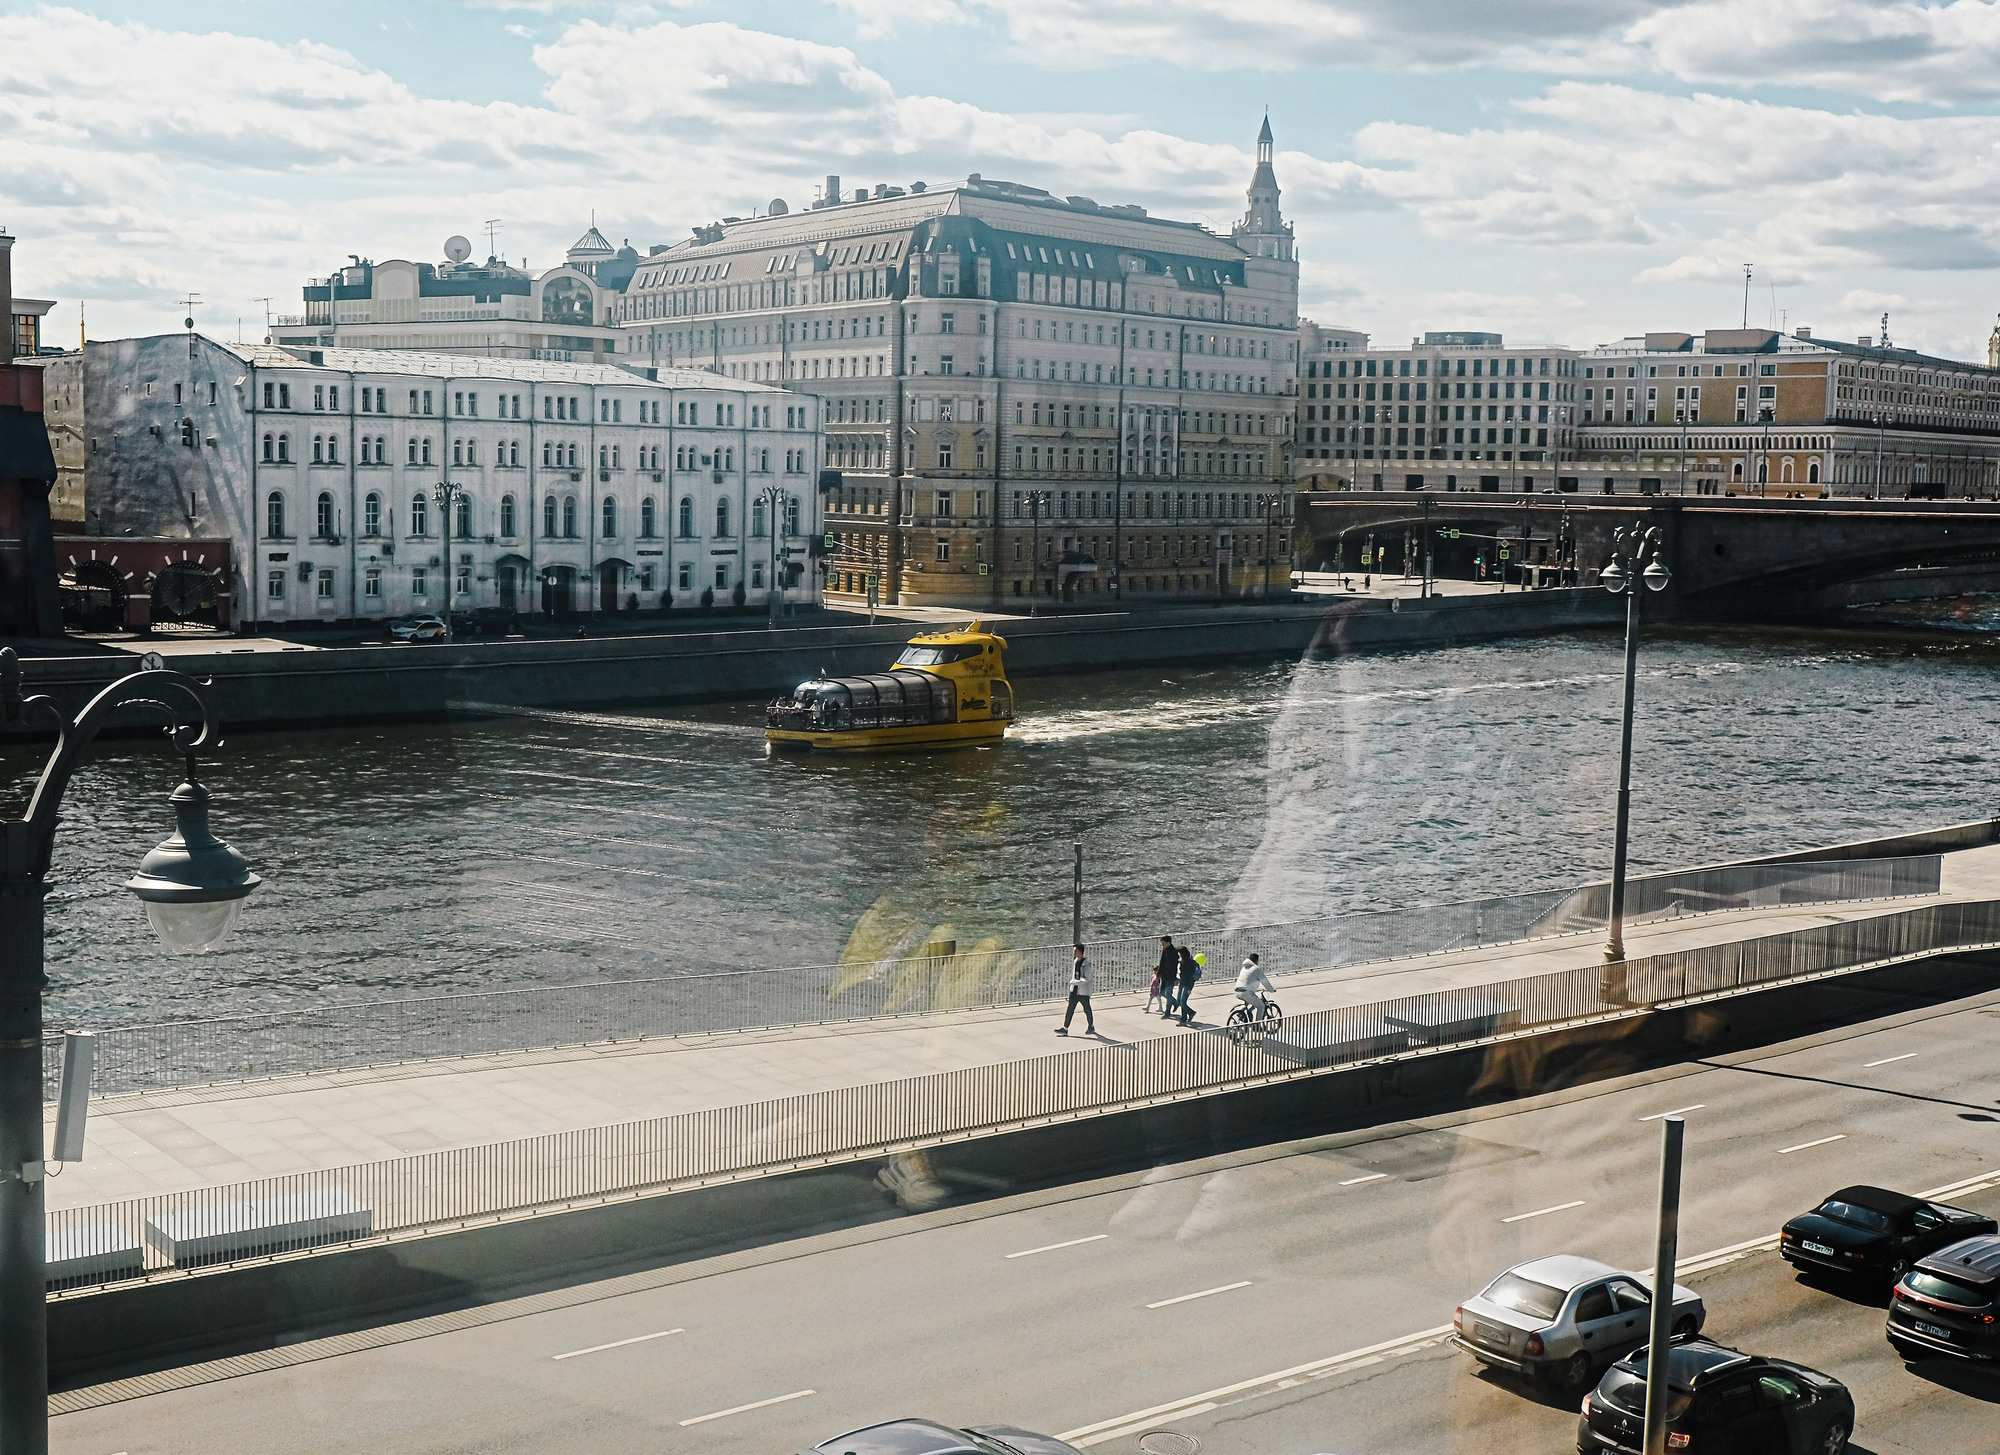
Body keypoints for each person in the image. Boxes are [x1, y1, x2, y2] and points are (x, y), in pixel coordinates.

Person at [1056, 943, 1095, 1036]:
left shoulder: (1086, 964)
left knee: (1086, 1008)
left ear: (1080, 952)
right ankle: (1065, 1028)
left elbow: (1087, 978)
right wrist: (1073, 984)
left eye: (1075, 951)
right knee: (1070, 1008)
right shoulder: (1075, 961)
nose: (1073, 953)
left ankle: (1091, 1026)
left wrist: (1075, 982)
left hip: (1083, 991)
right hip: (1074, 990)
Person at [1234, 952, 1273, 1022]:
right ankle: (1257, 1026)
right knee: (1261, 1006)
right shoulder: (1256, 969)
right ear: (1257, 960)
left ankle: (1241, 1013)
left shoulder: (1244, 967)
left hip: (1237, 990)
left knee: (1249, 1002)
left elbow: (1247, 980)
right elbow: (1265, 982)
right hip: (1246, 992)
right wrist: (1272, 990)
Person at [1172, 945, 1204, 1025]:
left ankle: (1184, 1019)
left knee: (1182, 1002)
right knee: (1179, 1001)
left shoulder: (1190, 963)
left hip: (1187, 984)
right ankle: (1190, 1013)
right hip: (1182, 983)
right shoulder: (1182, 961)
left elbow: (1190, 977)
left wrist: (1189, 988)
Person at [1155, 935, 1179, 1020]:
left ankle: (1167, 1012)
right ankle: (1175, 1003)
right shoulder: (1165, 950)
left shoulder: (1173, 952)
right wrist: (1158, 974)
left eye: (1163, 944)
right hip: (1164, 976)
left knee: (1168, 994)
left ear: (1168, 943)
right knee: (1162, 992)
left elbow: (1173, 966)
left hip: (1170, 977)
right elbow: (1162, 962)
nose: (1162, 946)